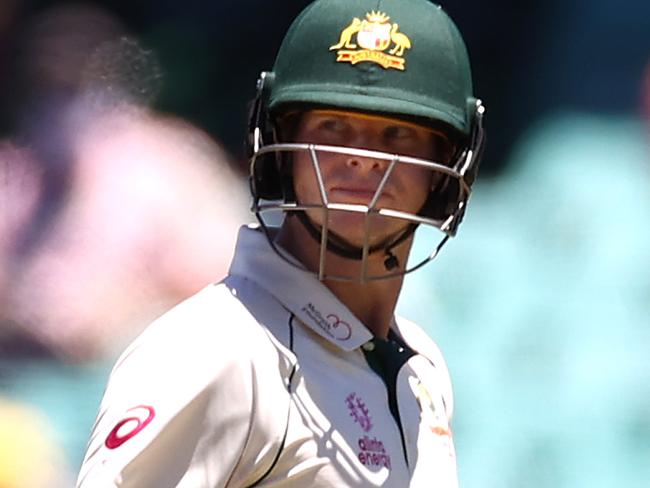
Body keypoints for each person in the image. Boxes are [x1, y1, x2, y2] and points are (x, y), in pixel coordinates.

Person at [76, 0, 485, 486]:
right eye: (333, 127)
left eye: (398, 134)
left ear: (448, 165)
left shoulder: (423, 368)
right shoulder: (214, 349)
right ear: (278, 144)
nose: (362, 159)